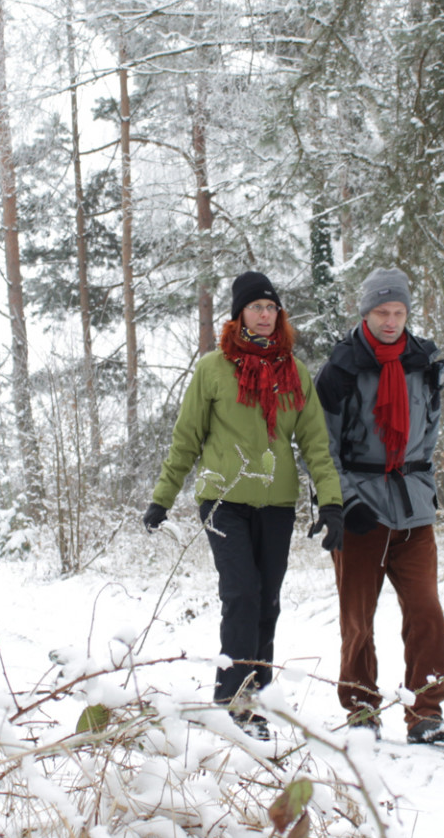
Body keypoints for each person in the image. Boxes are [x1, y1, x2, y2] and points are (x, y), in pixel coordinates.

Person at [143, 271, 345, 739]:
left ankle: (256, 692)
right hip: (222, 500)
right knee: (241, 594)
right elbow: (187, 438)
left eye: (272, 307)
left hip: (276, 504)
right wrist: (162, 498)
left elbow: (316, 443)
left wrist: (330, 504)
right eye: (256, 307)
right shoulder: (213, 369)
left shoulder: (293, 372)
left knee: (267, 602)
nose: (265, 314)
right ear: (239, 315)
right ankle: (234, 698)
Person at [315, 267, 444, 745]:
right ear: (365, 312)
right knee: (358, 620)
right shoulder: (341, 369)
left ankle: (427, 712)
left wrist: (426, 486)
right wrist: (342, 503)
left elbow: (429, 436)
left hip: (414, 508)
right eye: (382, 312)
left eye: (399, 312)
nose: (392, 321)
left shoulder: (425, 361)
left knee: (427, 612)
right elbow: (321, 447)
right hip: (361, 512)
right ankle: (360, 709)